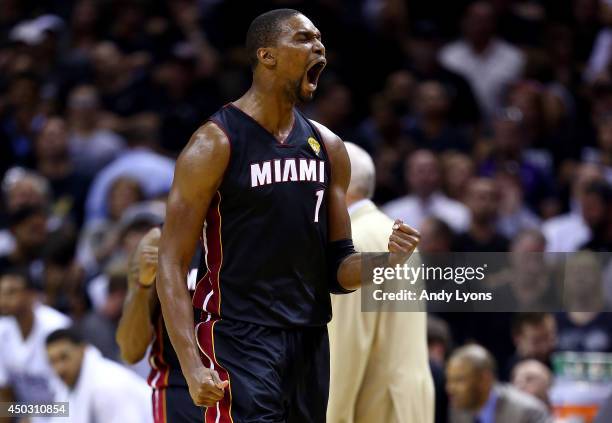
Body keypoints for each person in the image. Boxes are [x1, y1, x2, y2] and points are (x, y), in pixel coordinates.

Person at [157, 9, 420, 423]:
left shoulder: (328, 147)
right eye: (303, 38)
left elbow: (338, 269)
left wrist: (386, 262)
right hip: (238, 335)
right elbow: (170, 263)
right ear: (267, 55)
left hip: (310, 338)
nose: (319, 47)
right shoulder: (215, 142)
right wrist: (190, 364)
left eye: (320, 39)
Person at [327, 142, 434, 423]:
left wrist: (332, 416)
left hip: (374, 408)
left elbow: (345, 347)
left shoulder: (354, 242)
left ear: (339, 183)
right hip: (409, 403)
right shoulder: (390, 230)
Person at [116, 227, 204, 422]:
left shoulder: (239, 235)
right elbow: (130, 351)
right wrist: (143, 286)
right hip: (180, 390)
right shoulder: (159, 241)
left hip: (236, 380)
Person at [46, 328, 152, 423]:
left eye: (64, 357)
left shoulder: (106, 384)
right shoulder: (69, 384)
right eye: (53, 361)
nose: (59, 368)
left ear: (83, 349)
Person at [0, 267, 70, 409]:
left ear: (31, 295)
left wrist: (30, 416)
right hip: (27, 411)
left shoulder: (56, 326)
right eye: (1, 292)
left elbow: (70, 397)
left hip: (66, 411)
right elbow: (5, 392)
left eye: (11, 292)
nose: (3, 299)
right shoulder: (2, 329)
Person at [446, 344, 551, 423]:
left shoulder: (528, 413)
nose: (450, 388)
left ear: (484, 379)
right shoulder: (459, 411)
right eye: (449, 380)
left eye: (459, 380)